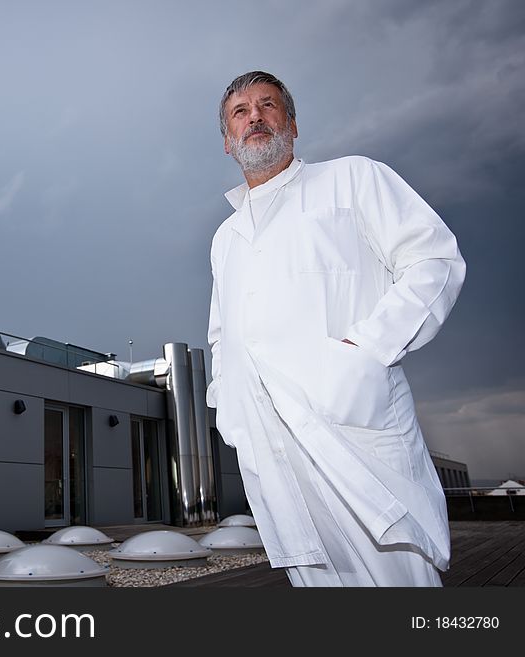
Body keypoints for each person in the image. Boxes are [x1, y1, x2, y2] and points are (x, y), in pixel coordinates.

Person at [206, 71, 466, 587]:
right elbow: (222, 333)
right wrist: (228, 412)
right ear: (227, 142)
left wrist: (366, 349)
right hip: (273, 450)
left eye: (268, 105)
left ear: (293, 124)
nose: (254, 116)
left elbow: (433, 260)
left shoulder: (353, 180)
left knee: (398, 583)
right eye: (240, 112)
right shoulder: (226, 237)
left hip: (354, 434)